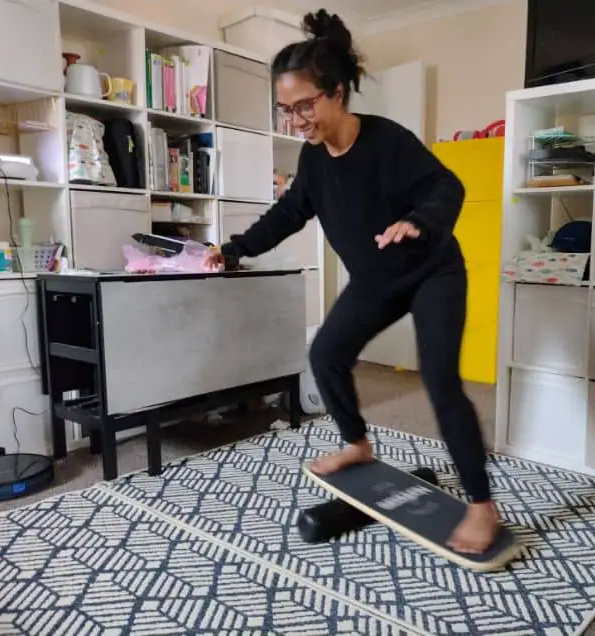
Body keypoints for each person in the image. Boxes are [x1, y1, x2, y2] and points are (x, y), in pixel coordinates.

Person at [208, 9, 499, 554]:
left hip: (433, 271)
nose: (295, 120)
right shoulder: (314, 160)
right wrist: (232, 250)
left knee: (440, 383)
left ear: (337, 93)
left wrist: (419, 222)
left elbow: (447, 187)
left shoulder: (388, 141)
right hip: (376, 278)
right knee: (327, 354)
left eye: (304, 106)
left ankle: (482, 504)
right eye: (285, 110)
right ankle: (357, 444)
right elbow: (288, 214)